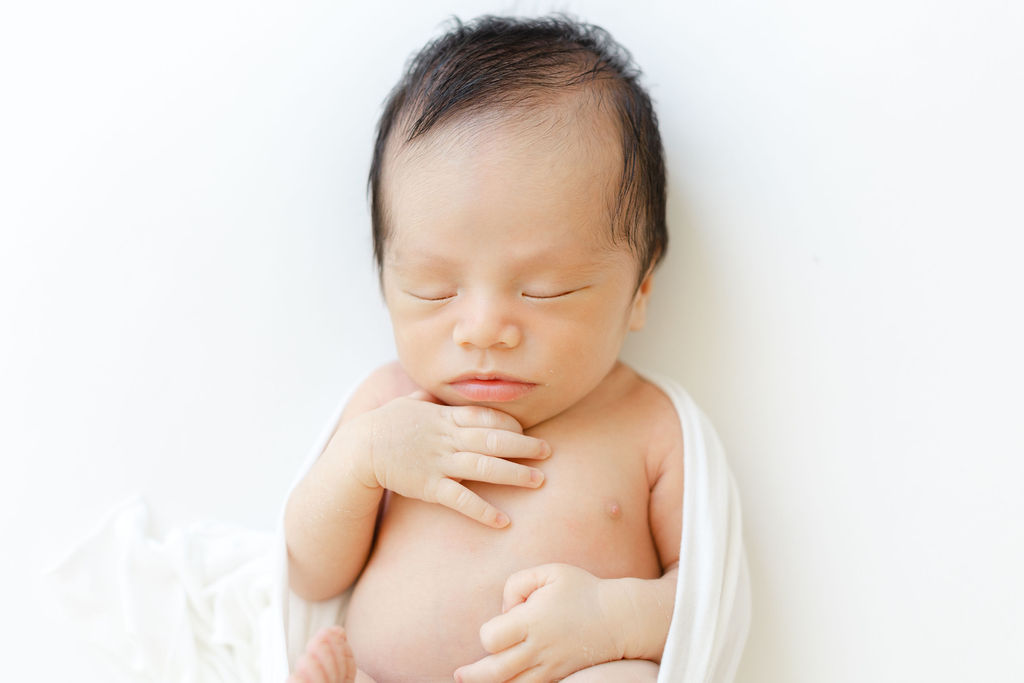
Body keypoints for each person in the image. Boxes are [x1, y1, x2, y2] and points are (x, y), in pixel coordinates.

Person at [284, 15, 687, 682]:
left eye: (546, 290)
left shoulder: (646, 426)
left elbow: (710, 598)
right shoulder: (392, 408)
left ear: (640, 289)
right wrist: (361, 462)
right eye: (433, 289)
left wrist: (618, 617)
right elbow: (308, 569)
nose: (482, 329)